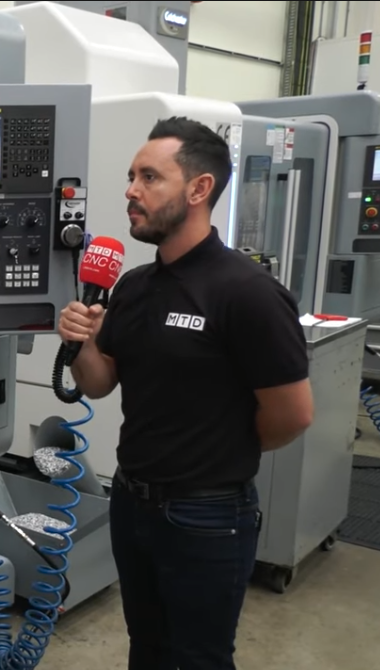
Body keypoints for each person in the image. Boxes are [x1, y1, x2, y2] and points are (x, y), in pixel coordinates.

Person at [58, 117, 314, 670]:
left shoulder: (247, 293)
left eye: (149, 177)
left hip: (207, 516)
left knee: (200, 658)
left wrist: (217, 451)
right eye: (131, 177)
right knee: (146, 649)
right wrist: (81, 343)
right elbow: (100, 383)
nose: (131, 190)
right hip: (131, 502)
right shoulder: (134, 286)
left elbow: (293, 415)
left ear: (199, 189)